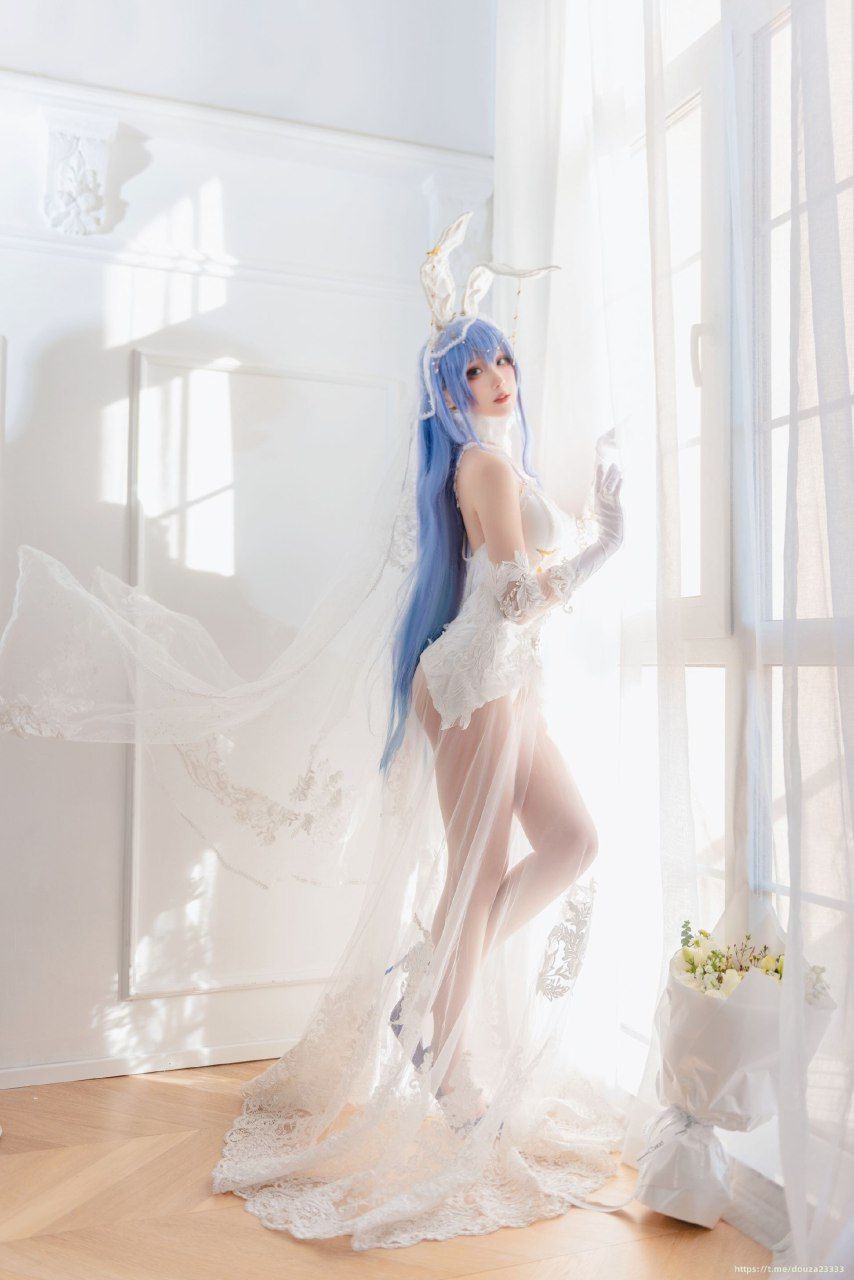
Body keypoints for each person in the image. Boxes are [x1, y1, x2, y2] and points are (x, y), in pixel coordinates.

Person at [0, 211, 633, 1250]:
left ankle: (425, 985)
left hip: (500, 677)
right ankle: (448, 1060)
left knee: (572, 841)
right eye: (475, 371)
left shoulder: (497, 463)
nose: (497, 379)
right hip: (478, 677)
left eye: (502, 361)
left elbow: (509, 595)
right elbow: (517, 598)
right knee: (477, 875)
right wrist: (607, 542)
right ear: (447, 392)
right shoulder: (479, 470)